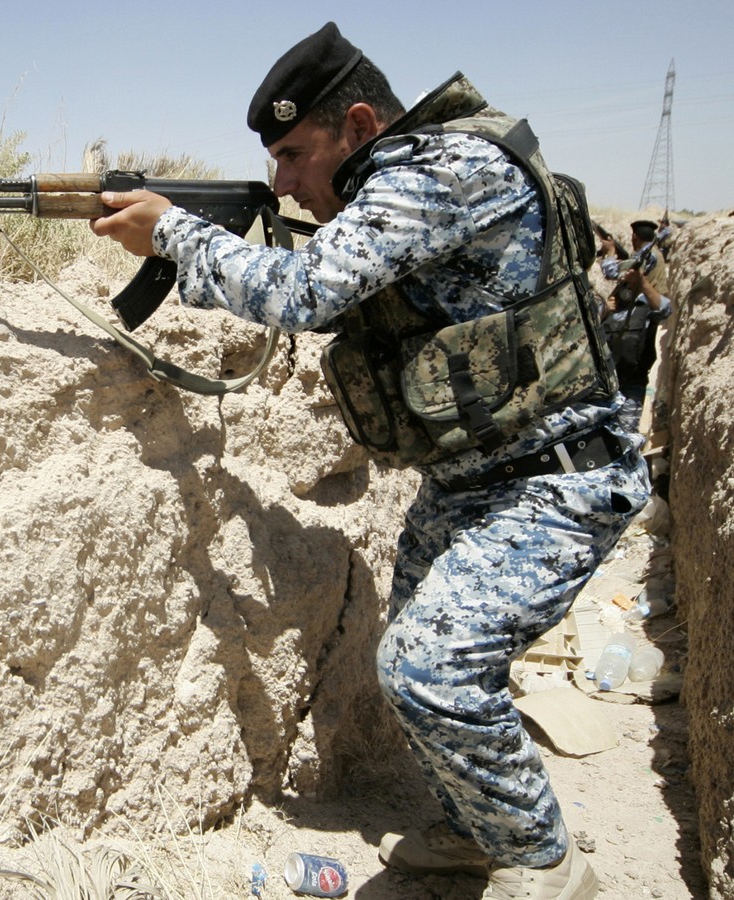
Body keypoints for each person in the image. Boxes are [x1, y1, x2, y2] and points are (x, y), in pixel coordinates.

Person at [90, 22, 649, 900]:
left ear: (357, 125)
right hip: (474, 481)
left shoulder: (441, 174)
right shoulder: (406, 183)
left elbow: (301, 293)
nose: (284, 182)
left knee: (433, 669)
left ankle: (546, 866)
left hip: (556, 479)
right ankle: (475, 830)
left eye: (293, 153)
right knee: (429, 664)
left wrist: (175, 236)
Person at [602, 265, 672, 433]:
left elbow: (666, 309)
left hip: (632, 386)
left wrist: (643, 283)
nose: (626, 288)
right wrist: (603, 310)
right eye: (622, 283)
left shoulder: (644, 306)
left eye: (629, 284)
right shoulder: (607, 309)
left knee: (626, 436)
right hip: (605, 389)